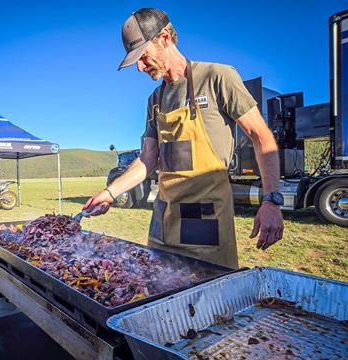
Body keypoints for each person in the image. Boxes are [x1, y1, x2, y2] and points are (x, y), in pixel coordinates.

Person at [83, 8, 284, 269]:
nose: (140, 68)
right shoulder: (155, 100)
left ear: (164, 38)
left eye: (143, 57)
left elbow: (262, 138)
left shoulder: (216, 77)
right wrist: (110, 192)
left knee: (207, 300)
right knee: (157, 294)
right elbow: (147, 159)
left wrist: (271, 200)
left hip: (204, 226)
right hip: (163, 223)